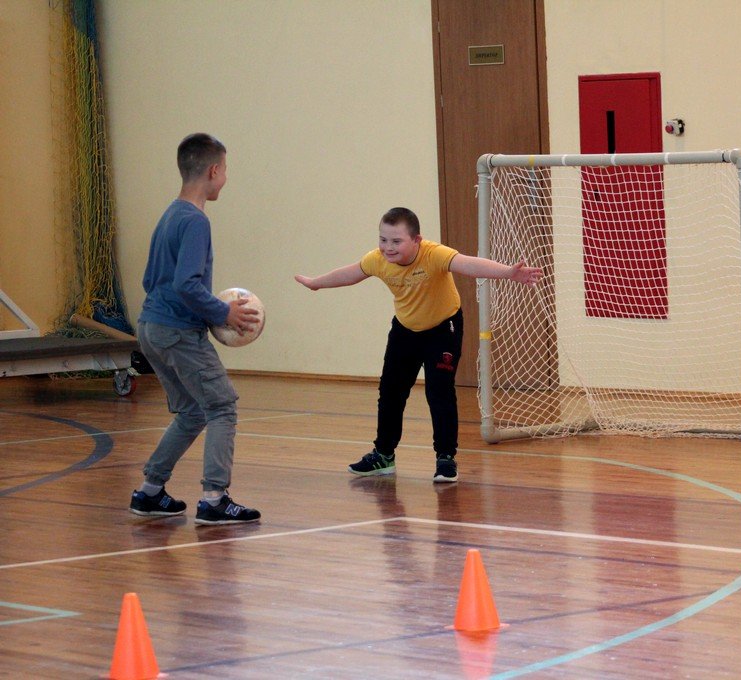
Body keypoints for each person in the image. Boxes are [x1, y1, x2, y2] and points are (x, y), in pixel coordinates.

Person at [295, 207, 541, 482]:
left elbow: (469, 265)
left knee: (439, 391)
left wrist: (508, 272)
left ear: (417, 240)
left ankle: (445, 458)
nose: (388, 247)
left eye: (396, 241)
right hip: (405, 330)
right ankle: (383, 455)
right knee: (391, 391)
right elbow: (350, 274)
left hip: (442, 329)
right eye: (383, 240)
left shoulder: (433, 254)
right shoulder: (377, 259)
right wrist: (316, 283)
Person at [129, 133, 262, 525]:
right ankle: (214, 499)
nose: (226, 179)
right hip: (177, 333)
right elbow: (187, 284)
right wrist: (223, 313)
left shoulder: (170, 215)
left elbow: (152, 280)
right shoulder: (195, 221)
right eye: (226, 171)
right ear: (214, 170)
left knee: (191, 411)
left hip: (151, 327)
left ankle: (150, 492)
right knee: (221, 406)